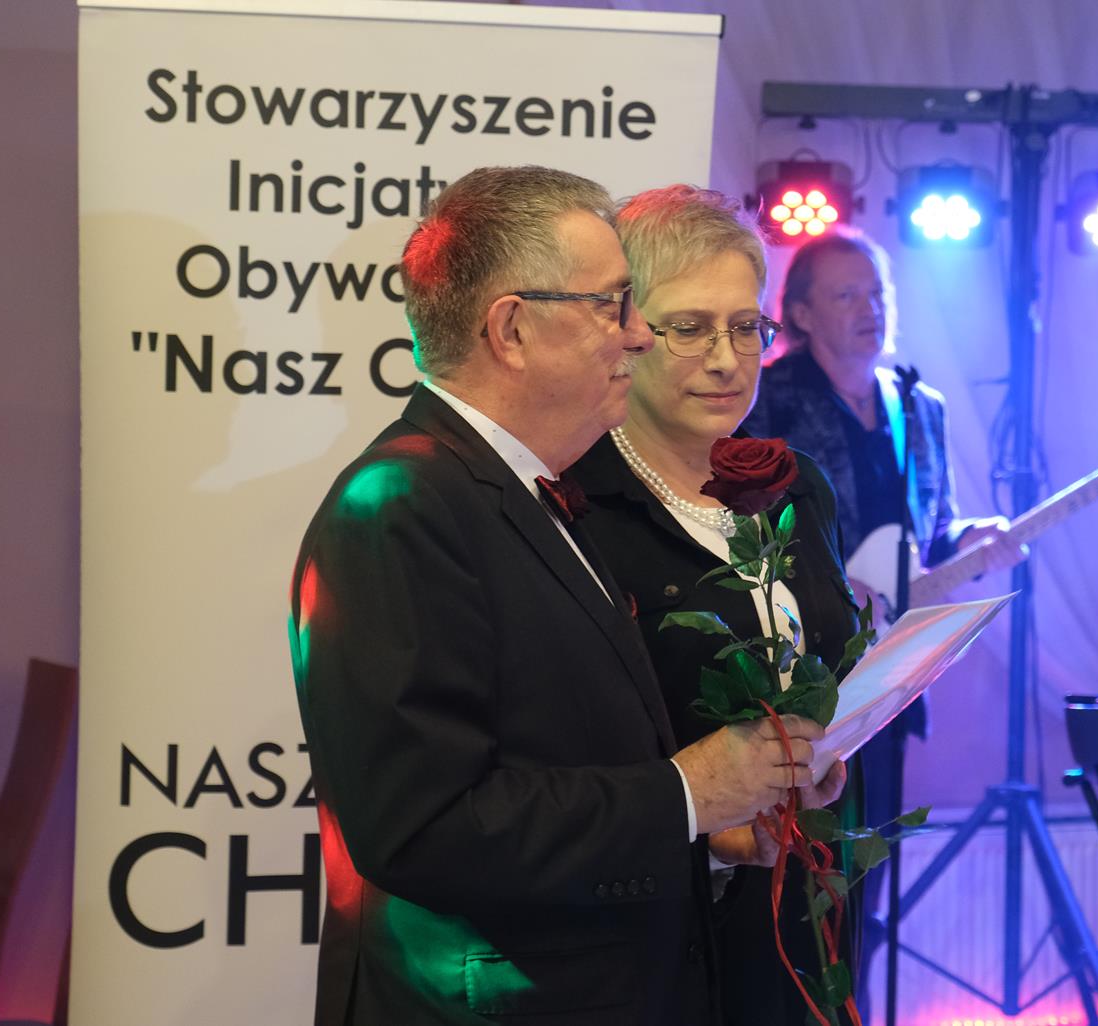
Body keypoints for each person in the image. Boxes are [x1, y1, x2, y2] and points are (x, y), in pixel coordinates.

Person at [289, 166, 826, 1026]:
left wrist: (712, 832)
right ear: (511, 329)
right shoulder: (399, 507)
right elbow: (421, 828)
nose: (637, 337)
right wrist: (687, 793)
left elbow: (568, 754)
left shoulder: (523, 486)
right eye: (612, 306)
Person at [570, 185, 863, 1025]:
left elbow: (827, 665)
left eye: (744, 327)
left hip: (799, 912)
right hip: (648, 937)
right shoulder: (576, 503)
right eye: (690, 328)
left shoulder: (796, 485)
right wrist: (712, 826)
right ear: (624, 329)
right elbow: (572, 748)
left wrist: (829, 750)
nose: (728, 359)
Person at [742, 228, 1026, 1012]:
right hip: (796, 673)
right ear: (800, 314)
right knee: (793, 877)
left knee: (863, 874)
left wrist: (968, 541)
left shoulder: (918, 405)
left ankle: (853, 1008)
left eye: (876, 293)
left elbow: (927, 533)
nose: (869, 308)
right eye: (846, 295)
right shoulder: (767, 398)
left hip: (892, 672)